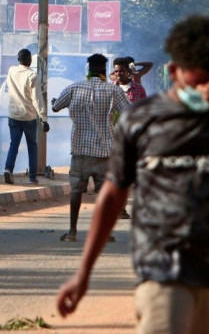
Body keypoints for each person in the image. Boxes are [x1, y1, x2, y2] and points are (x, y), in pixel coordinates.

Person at [56, 15, 209, 332]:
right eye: (196, 79)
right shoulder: (142, 119)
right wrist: (83, 273)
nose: (204, 89)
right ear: (173, 71)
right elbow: (112, 194)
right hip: (162, 272)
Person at [52, 54, 130, 242]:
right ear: (105, 70)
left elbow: (55, 107)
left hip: (80, 150)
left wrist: (56, 102)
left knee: (76, 191)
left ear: (88, 69)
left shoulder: (73, 87)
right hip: (104, 151)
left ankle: (72, 232)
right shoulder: (113, 91)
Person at [3, 49, 50, 185]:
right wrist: (43, 118)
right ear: (29, 60)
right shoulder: (32, 75)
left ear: (18, 59)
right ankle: (32, 177)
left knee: (14, 143)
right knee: (32, 146)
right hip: (28, 117)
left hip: (13, 115)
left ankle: (8, 169)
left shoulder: (11, 71)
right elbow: (37, 98)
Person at [111, 57, 148, 220]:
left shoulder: (138, 89)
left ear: (128, 72)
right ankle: (120, 208)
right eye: (116, 71)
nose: (118, 74)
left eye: (121, 71)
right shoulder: (110, 89)